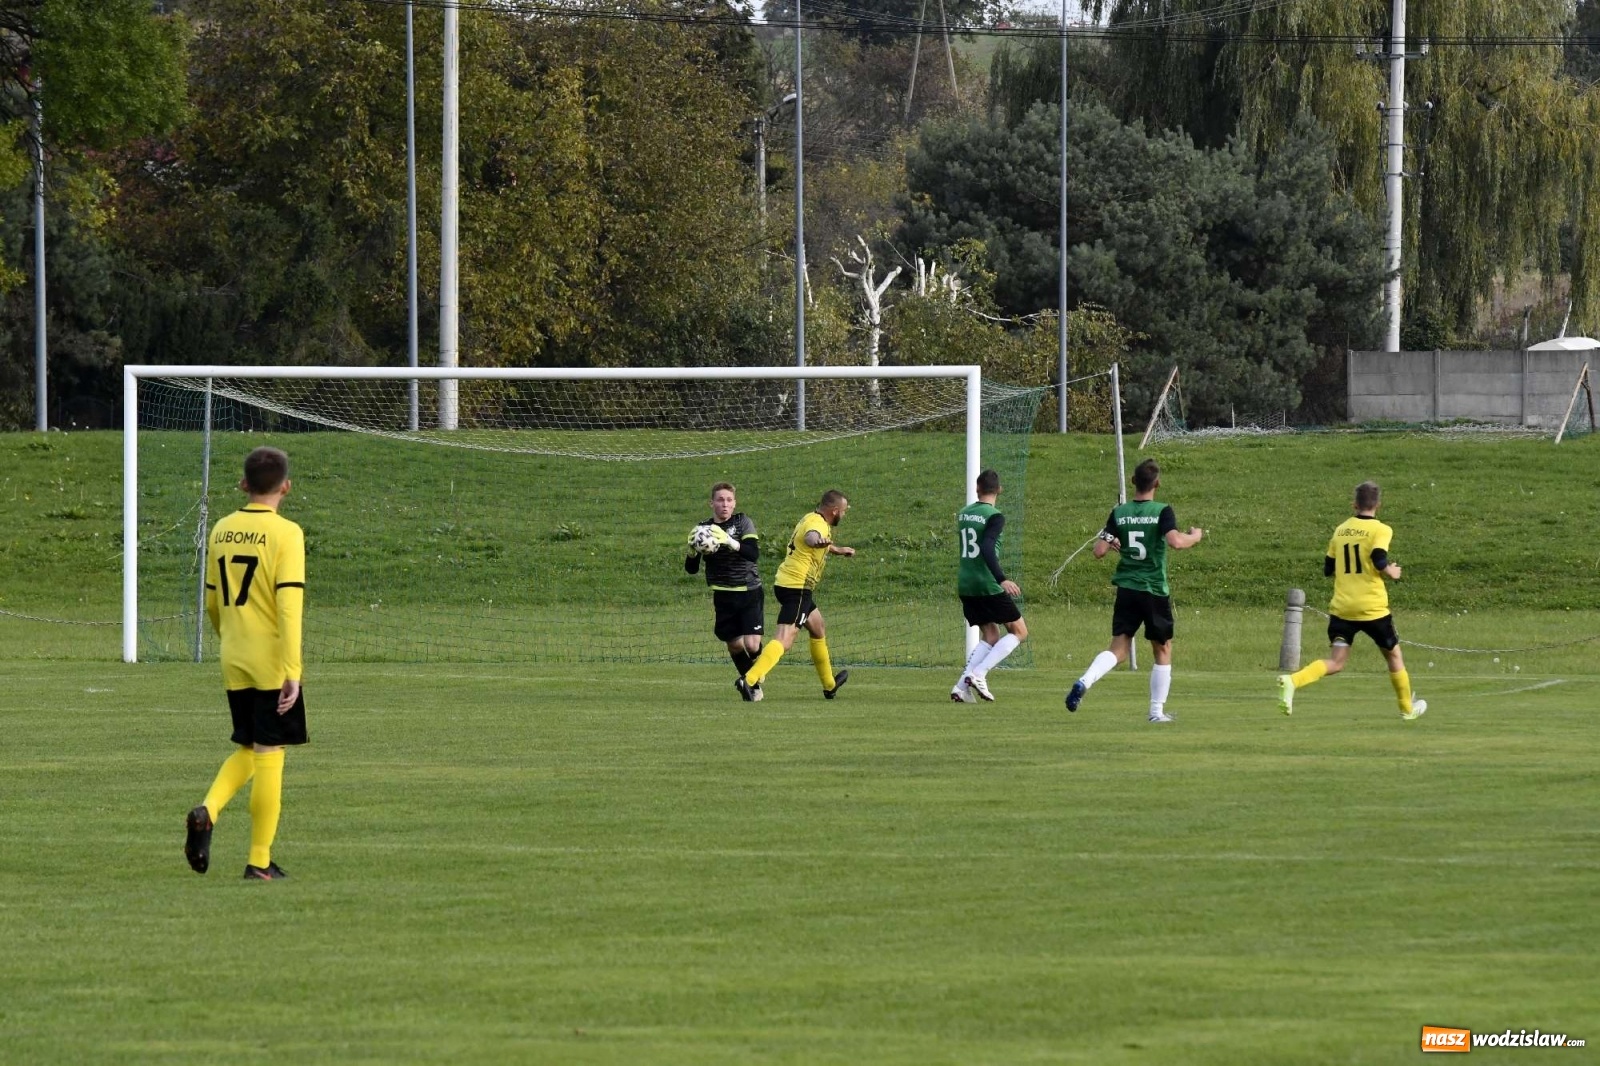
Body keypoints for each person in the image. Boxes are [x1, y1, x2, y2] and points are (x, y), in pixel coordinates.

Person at [183, 446, 308, 881]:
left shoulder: (221, 528)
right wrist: (293, 670)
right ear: (286, 487)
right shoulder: (287, 534)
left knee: (249, 748)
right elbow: (289, 607)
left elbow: (214, 600)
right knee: (270, 756)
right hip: (271, 659)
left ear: (244, 485)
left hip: (234, 654)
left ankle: (209, 810)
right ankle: (259, 861)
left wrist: (228, 638)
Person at [1065, 458, 1203, 723]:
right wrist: (1195, 536)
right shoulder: (1162, 511)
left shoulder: (1119, 512)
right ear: (1157, 483)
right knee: (1162, 649)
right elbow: (1175, 542)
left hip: (1126, 589)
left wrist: (1113, 539)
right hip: (1152, 589)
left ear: (1133, 482)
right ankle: (1155, 712)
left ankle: (1085, 681)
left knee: (1118, 648)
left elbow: (1098, 551)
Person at [1277, 481, 1427, 721]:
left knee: (1336, 663)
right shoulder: (1382, 529)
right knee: (1394, 657)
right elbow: (1379, 558)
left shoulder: (1340, 530)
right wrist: (1390, 571)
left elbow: (1328, 567)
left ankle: (1292, 681)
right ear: (1378, 504)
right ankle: (1407, 709)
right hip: (1372, 609)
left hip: (1342, 609)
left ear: (1354, 504)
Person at [735, 490, 855, 700]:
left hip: (787, 584)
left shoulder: (811, 517)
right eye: (843, 512)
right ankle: (749, 679)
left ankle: (829, 684)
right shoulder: (817, 525)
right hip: (797, 588)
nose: (843, 516)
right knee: (785, 638)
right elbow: (811, 538)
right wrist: (816, 541)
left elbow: (815, 541)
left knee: (818, 627)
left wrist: (837, 549)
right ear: (834, 510)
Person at [952, 469, 1028, 702]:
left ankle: (960, 687)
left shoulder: (964, 514)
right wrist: (1001, 578)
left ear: (977, 488)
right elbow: (986, 548)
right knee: (1019, 631)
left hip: (966, 583)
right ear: (999, 490)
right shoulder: (994, 516)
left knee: (991, 633)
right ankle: (979, 673)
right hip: (987, 583)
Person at [686, 482, 765, 701]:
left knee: (751, 644)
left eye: (729, 500)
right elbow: (691, 570)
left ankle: (758, 667)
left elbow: (752, 554)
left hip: (749, 591)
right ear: (711, 503)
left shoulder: (742, 522)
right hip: (723, 594)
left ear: (734, 503)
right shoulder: (703, 529)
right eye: (720, 500)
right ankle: (754, 687)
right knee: (734, 644)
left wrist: (730, 541)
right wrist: (691, 549)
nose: (725, 504)